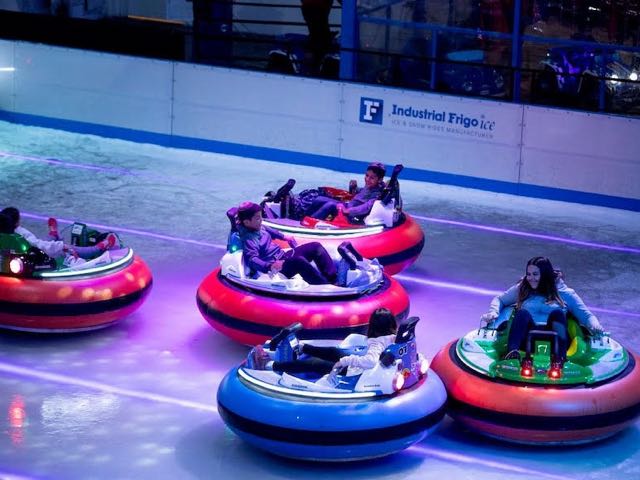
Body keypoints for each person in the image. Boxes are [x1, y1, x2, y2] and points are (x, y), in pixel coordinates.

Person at [481, 256, 604, 365]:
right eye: (528, 274)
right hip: (526, 337)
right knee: (522, 313)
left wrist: (595, 325)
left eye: (535, 274)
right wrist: (493, 312)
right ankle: (512, 354)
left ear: (545, 275)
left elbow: (586, 316)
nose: (530, 278)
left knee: (557, 314)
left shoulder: (565, 293)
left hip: (556, 339)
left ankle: (561, 359)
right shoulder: (523, 288)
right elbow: (500, 299)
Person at [249, 307, 398, 375]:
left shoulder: (377, 342)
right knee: (334, 351)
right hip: (364, 366)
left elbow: (370, 361)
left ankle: (270, 365)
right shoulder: (394, 337)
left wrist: (345, 361)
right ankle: (302, 348)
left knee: (313, 363)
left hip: (354, 372)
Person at [236, 201, 337, 285]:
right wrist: (269, 266)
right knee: (299, 261)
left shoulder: (259, 227)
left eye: (261, 216)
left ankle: (333, 280)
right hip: (276, 266)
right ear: (246, 222)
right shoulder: (249, 239)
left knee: (315, 247)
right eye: (258, 218)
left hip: (283, 256)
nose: (261, 220)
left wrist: (285, 237)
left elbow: (272, 231)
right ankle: (324, 286)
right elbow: (252, 259)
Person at [0, 207, 117, 260]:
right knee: (71, 249)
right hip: (37, 259)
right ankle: (99, 247)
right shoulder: (21, 237)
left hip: (23, 257)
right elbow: (40, 247)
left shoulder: (8, 236)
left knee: (43, 242)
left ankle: (53, 234)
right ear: (16, 222)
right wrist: (62, 246)